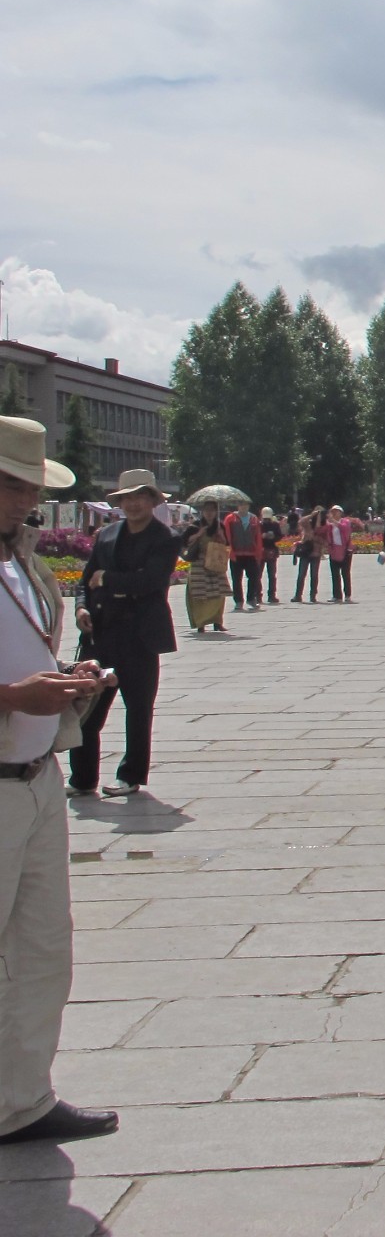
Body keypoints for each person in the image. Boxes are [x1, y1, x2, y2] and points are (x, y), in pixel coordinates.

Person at [0, 414, 121, 1146]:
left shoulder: (21, 559)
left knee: (44, 946)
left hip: (37, 775)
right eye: (13, 487)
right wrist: (13, 699)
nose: (25, 503)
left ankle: (20, 1098)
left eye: (28, 490)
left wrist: (65, 680)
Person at [69, 469, 180, 799]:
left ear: (152, 500)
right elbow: (84, 581)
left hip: (140, 635)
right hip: (102, 633)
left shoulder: (165, 538)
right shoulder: (106, 535)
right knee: (88, 708)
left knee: (138, 709)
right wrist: (81, 609)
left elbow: (152, 581)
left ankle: (130, 776)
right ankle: (82, 778)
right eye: (127, 498)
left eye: (140, 496)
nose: (133, 503)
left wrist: (108, 579)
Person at [182, 500, 231, 633]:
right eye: (206, 510)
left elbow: (226, 544)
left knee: (219, 593)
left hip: (215, 561)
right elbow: (184, 542)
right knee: (199, 593)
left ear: (216, 512)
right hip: (199, 562)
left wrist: (221, 536)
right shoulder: (195, 526)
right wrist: (198, 534)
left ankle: (217, 621)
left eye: (212, 510)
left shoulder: (219, 526)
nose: (209, 513)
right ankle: (201, 623)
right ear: (202, 511)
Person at [223, 500, 263, 612]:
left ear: (248, 506)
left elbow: (258, 537)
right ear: (238, 506)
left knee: (254, 577)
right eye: (241, 505)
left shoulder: (254, 519)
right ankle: (238, 601)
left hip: (251, 554)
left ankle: (251, 598)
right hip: (236, 554)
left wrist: (258, 552)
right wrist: (230, 552)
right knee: (236, 579)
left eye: (245, 505)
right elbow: (227, 536)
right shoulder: (230, 518)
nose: (243, 507)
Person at [292, 508, 326, 601]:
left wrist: (316, 538)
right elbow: (301, 521)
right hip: (305, 553)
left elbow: (324, 540)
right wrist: (312, 515)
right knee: (301, 574)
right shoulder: (307, 526)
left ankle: (313, 596)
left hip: (316, 553)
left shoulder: (323, 527)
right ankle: (298, 595)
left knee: (314, 575)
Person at [323, 504, 354, 603]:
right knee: (335, 574)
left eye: (336, 511)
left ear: (341, 513)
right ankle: (337, 595)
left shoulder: (346, 522)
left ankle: (348, 595)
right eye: (332, 511)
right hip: (334, 550)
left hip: (345, 551)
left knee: (345, 573)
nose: (334, 513)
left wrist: (334, 521)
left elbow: (345, 529)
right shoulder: (329, 524)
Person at [258, 506, 283, 603]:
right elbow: (255, 537)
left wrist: (273, 537)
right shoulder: (259, 525)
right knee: (259, 575)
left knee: (271, 575)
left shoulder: (275, 525)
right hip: (262, 551)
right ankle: (259, 595)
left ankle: (271, 595)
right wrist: (262, 536)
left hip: (271, 550)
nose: (266, 520)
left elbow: (279, 536)